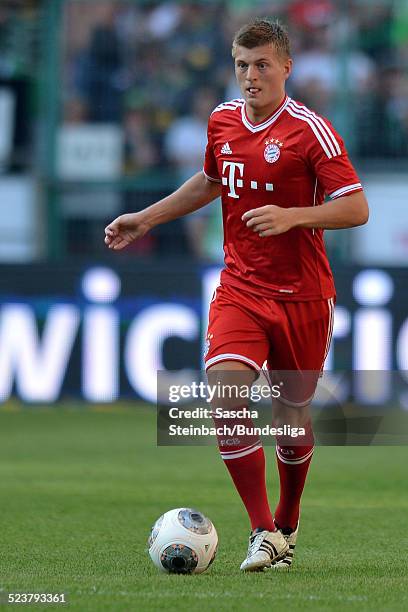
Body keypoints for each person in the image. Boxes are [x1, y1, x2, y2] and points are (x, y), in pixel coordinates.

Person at [105, 19, 369, 572]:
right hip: (241, 288)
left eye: (262, 65)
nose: (251, 77)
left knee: (292, 418)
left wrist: (294, 215)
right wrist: (146, 219)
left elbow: (355, 206)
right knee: (224, 391)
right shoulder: (222, 121)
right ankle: (262, 530)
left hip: (302, 296)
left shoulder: (310, 131)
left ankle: (287, 523)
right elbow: (208, 181)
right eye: (242, 66)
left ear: (286, 68)